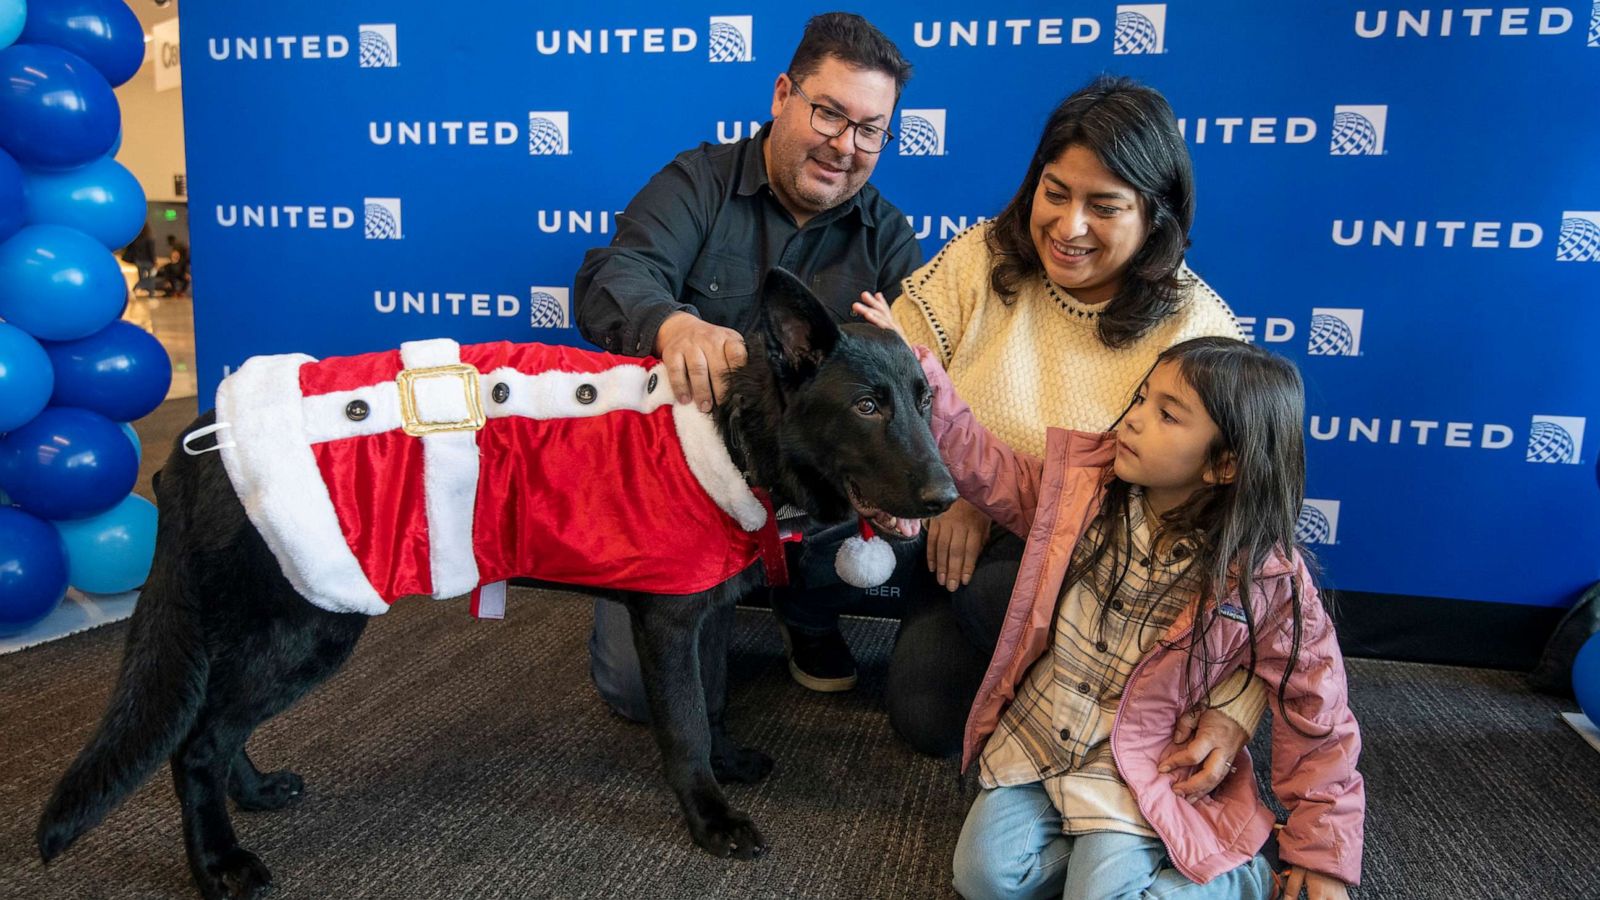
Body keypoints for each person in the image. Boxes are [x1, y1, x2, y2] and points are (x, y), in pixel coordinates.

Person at [855, 319, 1366, 899]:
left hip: (1140, 764)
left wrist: (1322, 859)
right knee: (986, 881)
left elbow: (1318, 719)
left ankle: (1243, 878)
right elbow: (986, 465)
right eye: (1143, 397)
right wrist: (918, 373)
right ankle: (1106, 851)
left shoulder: (1268, 577)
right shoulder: (1081, 493)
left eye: (1168, 415)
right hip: (1043, 737)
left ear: (1224, 465)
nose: (1135, 417)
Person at [861, 75, 1261, 765]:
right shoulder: (981, 255)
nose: (1068, 227)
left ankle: (1094, 705)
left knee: (997, 594)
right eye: (1055, 193)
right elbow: (893, 368)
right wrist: (948, 485)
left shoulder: (1201, 329)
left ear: (1156, 216)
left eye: (1103, 206)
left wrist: (1238, 704)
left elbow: (1240, 530)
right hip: (960, 543)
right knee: (924, 716)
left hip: (1106, 572)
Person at [573, 12, 923, 720]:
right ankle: (696, 613)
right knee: (637, 695)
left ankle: (811, 615)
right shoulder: (695, 183)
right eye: (829, 114)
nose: (845, 145)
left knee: (909, 483)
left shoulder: (887, 235)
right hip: (682, 483)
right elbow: (615, 274)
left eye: (870, 130)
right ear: (782, 95)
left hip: (808, 487)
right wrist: (671, 323)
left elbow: (918, 381)